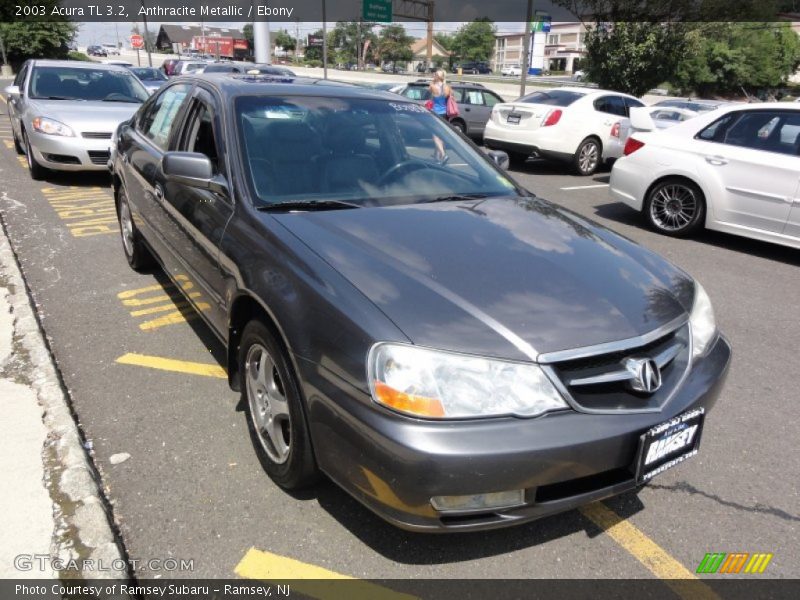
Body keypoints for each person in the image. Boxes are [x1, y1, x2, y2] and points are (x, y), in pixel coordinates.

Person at [428, 70, 451, 162]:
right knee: (440, 134)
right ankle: (437, 155)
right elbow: (449, 95)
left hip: (436, 112)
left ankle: (443, 154)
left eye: (435, 74)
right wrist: (444, 83)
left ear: (437, 77)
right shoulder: (446, 87)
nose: (433, 75)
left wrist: (433, 82)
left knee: (435, 136)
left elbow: (429, 91)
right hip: (444, 113)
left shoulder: (433, 86)